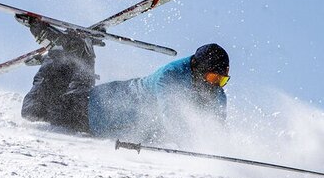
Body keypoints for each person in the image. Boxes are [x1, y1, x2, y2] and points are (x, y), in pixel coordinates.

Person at [20, 18, 229, 143]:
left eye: (221, 81)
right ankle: (60, 52)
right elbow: (170, 118)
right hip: (94, 111)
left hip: (103, 113)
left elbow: (217, 129)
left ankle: (82, 51)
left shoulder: (216, 95)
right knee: (33, 112)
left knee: (76, 88)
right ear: (197, 69)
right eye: (212, 77)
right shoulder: (170, 77)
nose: (214, 85)